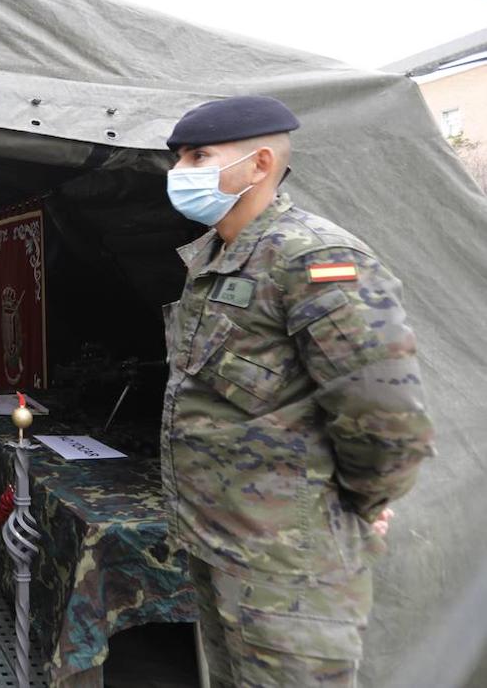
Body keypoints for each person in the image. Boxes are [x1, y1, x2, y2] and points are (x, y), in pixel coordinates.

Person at [161, 95, 435, 686]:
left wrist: (360, 504)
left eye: (199, 156)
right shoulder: (213, 258)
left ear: (260, 164)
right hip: (221, 543)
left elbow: (385, 412)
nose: (180, 173)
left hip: (292, 564)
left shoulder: (315, 257)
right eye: (178, 159)